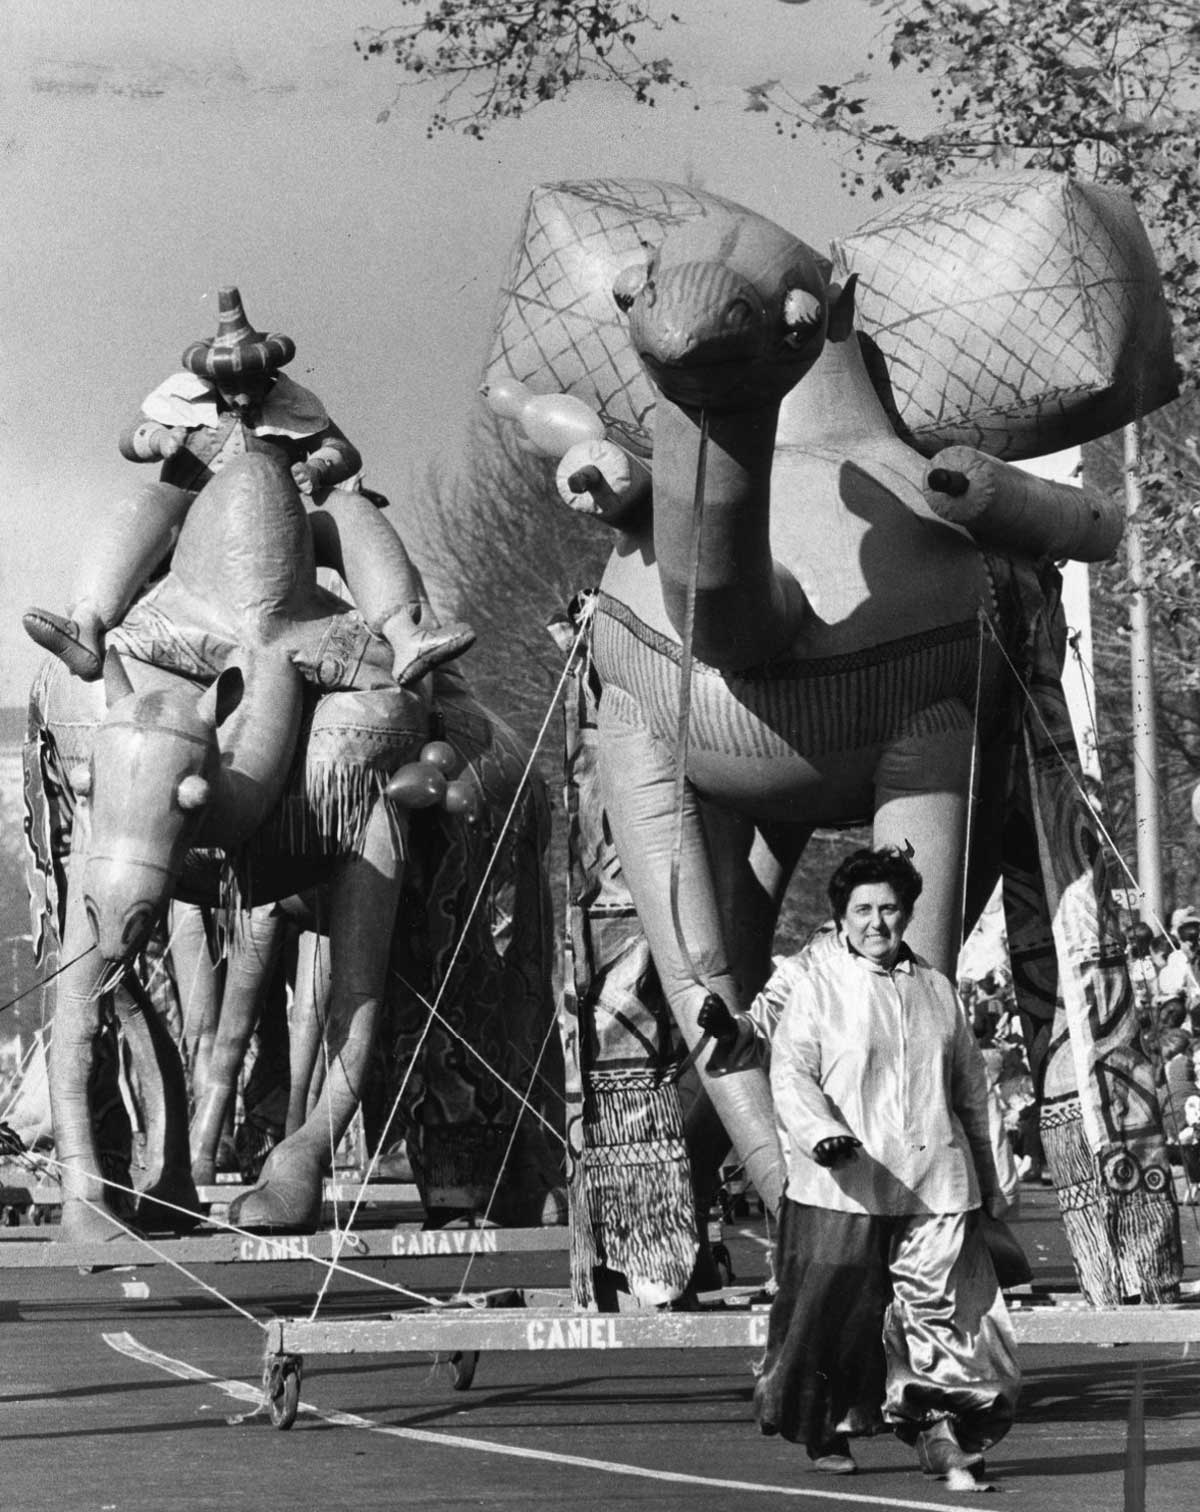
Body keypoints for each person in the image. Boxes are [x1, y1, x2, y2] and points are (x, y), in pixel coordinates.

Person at [23, 286, 473, 687]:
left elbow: (342, 450)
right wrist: (161, 440)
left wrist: (317, 468)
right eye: (231, 387)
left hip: (279, 531)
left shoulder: (294, 406)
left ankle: (405, 633)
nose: (241, 397)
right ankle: (87, 623)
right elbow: (131, 437)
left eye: (251, 385)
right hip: (196, 525)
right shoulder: (181, 405)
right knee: (150, 502)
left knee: (347, 512)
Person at [750, 847, 1019, 1486]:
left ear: (908, 914)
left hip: (935, 1182)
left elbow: (971, 1091)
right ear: (840, 916)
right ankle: (830, 1427)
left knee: (946, 1311)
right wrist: (822, 1135)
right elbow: (790, 1073)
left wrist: (993, 1178)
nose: (877, 922)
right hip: (840, 1183)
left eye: (890, 909)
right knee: (833, 1312)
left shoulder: (936, 989)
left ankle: (940, 1432)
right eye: (863, 909)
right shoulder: (814, 983)